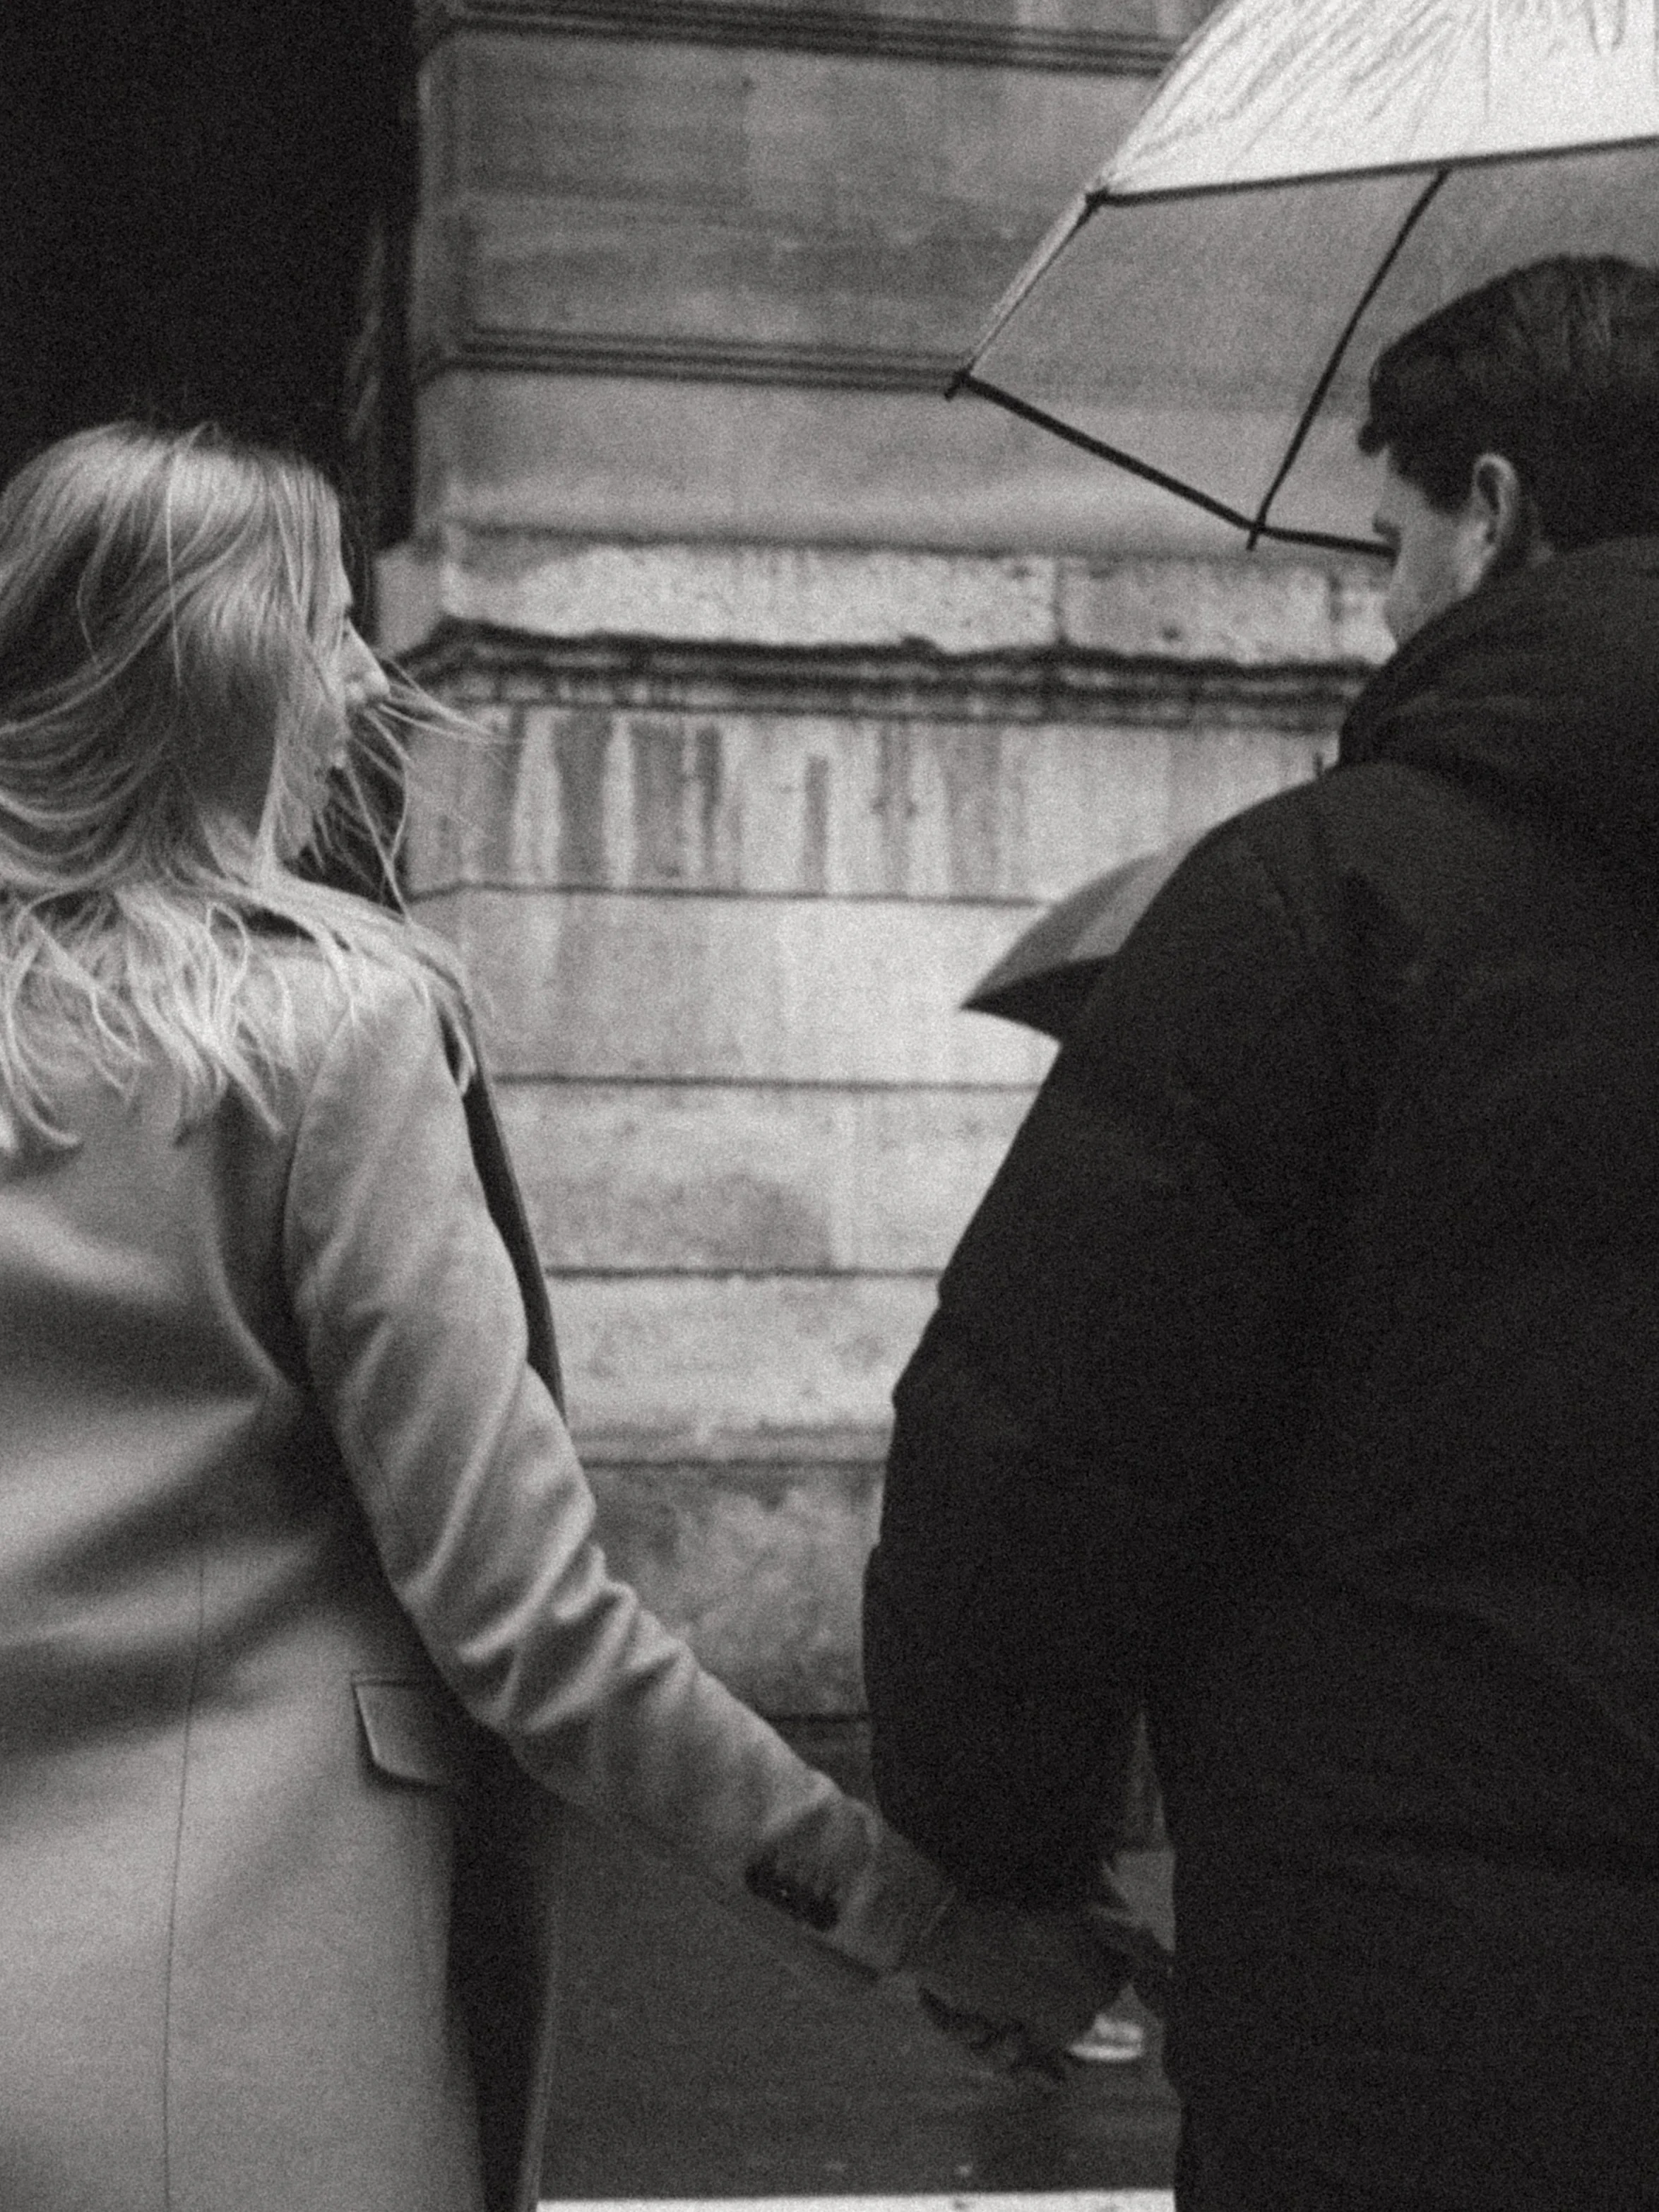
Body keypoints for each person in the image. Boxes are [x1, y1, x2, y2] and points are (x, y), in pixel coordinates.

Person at [0, 422, 1138, 2212]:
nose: (360, 683)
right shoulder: (326, 1040)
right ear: (221, 671)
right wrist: (910, 1917)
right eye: (324, 626)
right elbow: (528, 1625)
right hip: (222, 2062)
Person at [864, 254, 1659, 2212]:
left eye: (1382, 539)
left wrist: (1002, 1857)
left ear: (1489, 513)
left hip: (1401, 1998)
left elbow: (1046, 1447)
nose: (1378, 598)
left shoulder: (1317, 907)